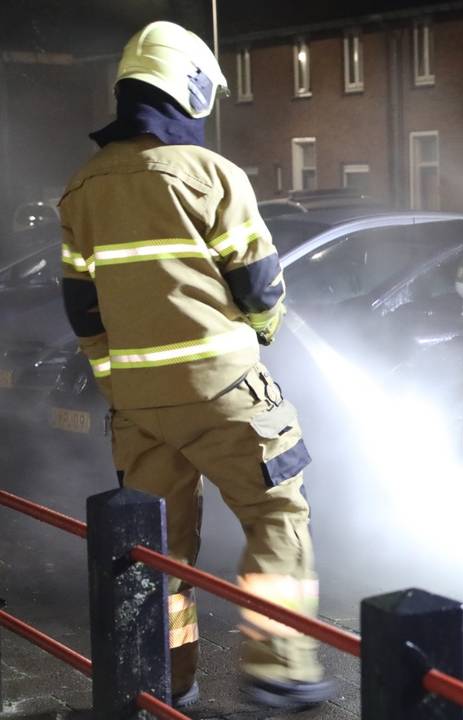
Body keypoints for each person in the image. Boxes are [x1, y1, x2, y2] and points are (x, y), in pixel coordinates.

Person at [57, 21, 332, 709]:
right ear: (189, 90)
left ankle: (165, 680)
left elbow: (82, 309)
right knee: (277, 514)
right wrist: (260, 334)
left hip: (138, 408)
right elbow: (262, 288)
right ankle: (280, 665)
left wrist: (120, 380)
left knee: (158, 548)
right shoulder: (211, 174)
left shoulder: (82, 189)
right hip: (224, 393)